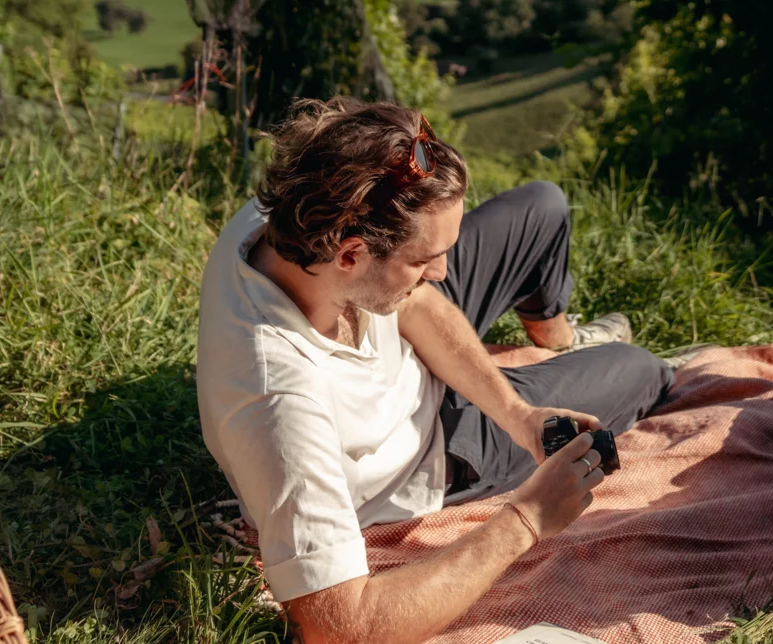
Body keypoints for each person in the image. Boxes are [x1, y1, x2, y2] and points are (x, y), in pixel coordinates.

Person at [195, 97, 675, 642]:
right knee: (640, 368)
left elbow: (416, 303)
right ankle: (586, 368)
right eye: (426, 260)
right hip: (433, 447)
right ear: (350, 255)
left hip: (401, 349)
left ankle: (558, 339)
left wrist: (519, 415)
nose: (444, 272)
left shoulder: (296, 212)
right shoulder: (279, 405)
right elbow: (340, 627)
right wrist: (527, 519)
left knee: (544, 205)